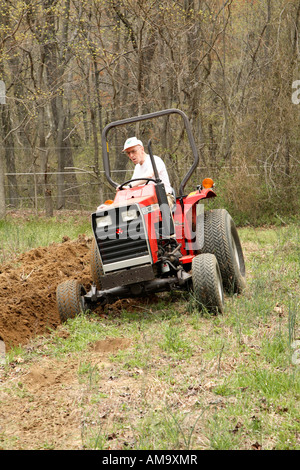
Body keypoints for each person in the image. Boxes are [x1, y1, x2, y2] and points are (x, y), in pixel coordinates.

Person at [120, 137, 175, 209]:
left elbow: (149, 175)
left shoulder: (155, 160)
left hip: (164, 197)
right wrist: (124, 189)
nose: (131, 155)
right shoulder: (137, 168)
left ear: (142, 149)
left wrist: (130, 186)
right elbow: (133, 185)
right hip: (145, 199)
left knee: (150, 210)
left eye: (133, 151)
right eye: (128, 153)